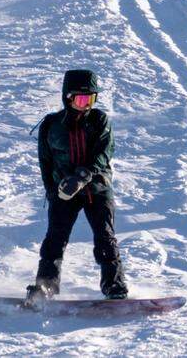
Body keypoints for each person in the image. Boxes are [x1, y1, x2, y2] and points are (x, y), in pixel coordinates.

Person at [26, 69, 128, 306]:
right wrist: (52, 192)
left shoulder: (99, 120)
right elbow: (45, 162)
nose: (86, 105)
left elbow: (103, 154)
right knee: (54, 239)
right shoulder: (51, 125)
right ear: (68, 97)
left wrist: (82, 177)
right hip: (64, 193)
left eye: (90, 99)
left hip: (97, 191)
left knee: (105, 237)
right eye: (81, 99)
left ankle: (114, 287)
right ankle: (45, 287)